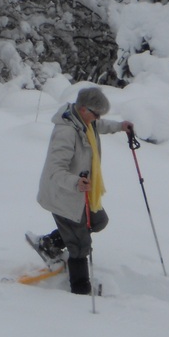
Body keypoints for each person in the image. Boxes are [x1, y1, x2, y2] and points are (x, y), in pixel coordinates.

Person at [35, 87, 133, 294]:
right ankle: (80, 290)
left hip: (82, 192)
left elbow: (101, 125)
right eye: (96, 114)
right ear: (83, 108)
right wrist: (75, 183)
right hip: (64, 195)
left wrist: (120, 126)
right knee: (80, 245)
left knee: (99, 221)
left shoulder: (85, 121)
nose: (97, 119)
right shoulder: (66, 132)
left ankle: (50, 242)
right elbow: (55, 170)